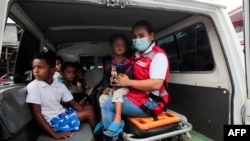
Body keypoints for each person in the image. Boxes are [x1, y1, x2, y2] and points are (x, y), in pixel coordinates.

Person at [101, 20, 170, 139]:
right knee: (107, 97)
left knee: (107, 104)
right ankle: (108, 126)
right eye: (135, 36)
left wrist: (128, 82)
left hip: (151, 103)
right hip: (136, 96)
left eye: (141, 36)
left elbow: (156, 84)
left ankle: (111, 136)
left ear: (151, 36)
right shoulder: (137, 55)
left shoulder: (158, 56)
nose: (138, 39)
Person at [26, 52, 96, 140]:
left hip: (62, 113)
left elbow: (73, 103)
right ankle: (96, 136)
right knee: (90, 113)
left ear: (52, 70)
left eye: (40, 67)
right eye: (34, 67)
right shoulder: (34, 86)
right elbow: (37, 114)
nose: (36, 71)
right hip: (53, 121)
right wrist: (54, 134)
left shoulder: (59, 85)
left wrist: (80, 115)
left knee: (89, 107)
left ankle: (83, 125)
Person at [94, 33, 132, 137]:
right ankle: (103, 121)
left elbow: (130, 77)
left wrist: (118, 87)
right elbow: (106, 77)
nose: (120, 47)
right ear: (111, 47)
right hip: (113, 88)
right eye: (117, 45)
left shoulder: (127, 63)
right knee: (102, 97)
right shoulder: (109, 63)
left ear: (126, 48)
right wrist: (106, 87)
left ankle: (118, 119)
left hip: (125, 89)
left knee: (117, 94)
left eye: (123, 45)